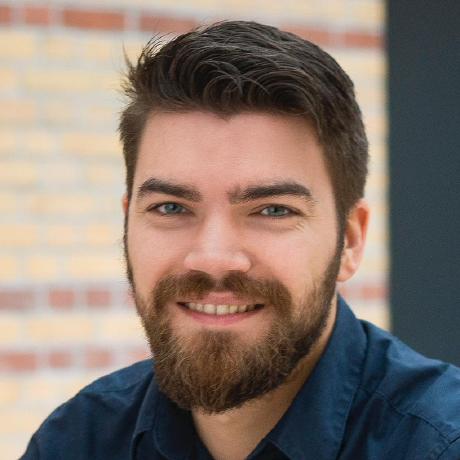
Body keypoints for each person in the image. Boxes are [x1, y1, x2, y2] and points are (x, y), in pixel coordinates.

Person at [22, 20, 460, 460]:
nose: (213, 258)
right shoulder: (77, 441)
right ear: (127, 223)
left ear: (349, 240)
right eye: (170, 207)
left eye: (273, 210)